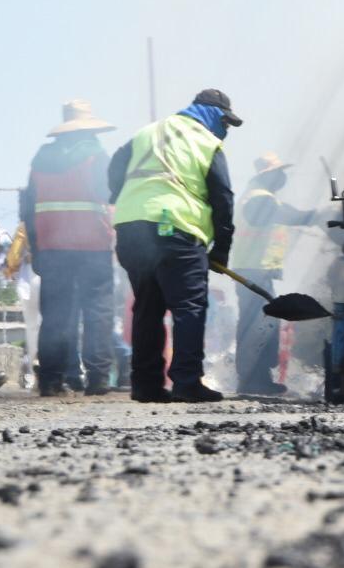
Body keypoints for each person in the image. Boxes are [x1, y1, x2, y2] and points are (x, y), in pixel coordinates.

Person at [109, 89, 241, 403]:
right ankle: (186, 382)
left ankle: (146, 385)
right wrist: (220, 249)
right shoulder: (207, 143)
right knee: (189, 307)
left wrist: (121, 197)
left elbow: (116, 165)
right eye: (225, 122)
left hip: (131, 226)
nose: (225, 130)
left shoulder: (147, 132)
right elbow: (223, 198)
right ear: (212, 114)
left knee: (148, 306)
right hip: (176, 228)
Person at [20, 100, 117, 396]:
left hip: (51, 247)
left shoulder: (40, 159)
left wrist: (36, 248)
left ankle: (50, 379)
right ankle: (98, 378)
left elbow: (28, 208)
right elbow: (109, 196)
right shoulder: (97, 156)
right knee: (97, 311)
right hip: (93, 246)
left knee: (56, 315)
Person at [233, 152, 315, 395]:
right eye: (278, 173)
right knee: (257, 326)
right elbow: (284, 214)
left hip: (257, 272)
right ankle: (252, 380)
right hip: (253, 272)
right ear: (267, 175)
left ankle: (258, 377)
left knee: (263, 324)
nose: (282, 177)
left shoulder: (259, 196)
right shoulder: (259, 198)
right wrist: (314, 217)